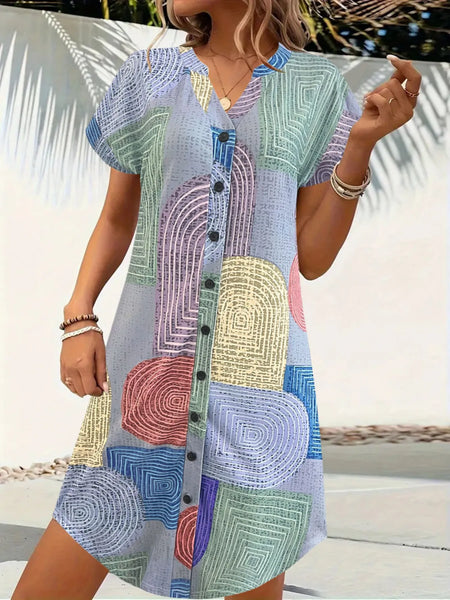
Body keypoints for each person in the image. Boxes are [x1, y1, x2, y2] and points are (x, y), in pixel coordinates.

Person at [11, 0, 421, 599]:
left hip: (258, 389)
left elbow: (312, 256)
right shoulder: (148, 76)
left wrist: (360, 146)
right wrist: (79, 317)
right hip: (148, 374)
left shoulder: (316, 88)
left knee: (247, 561)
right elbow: (117, 217)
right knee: (72, 545)